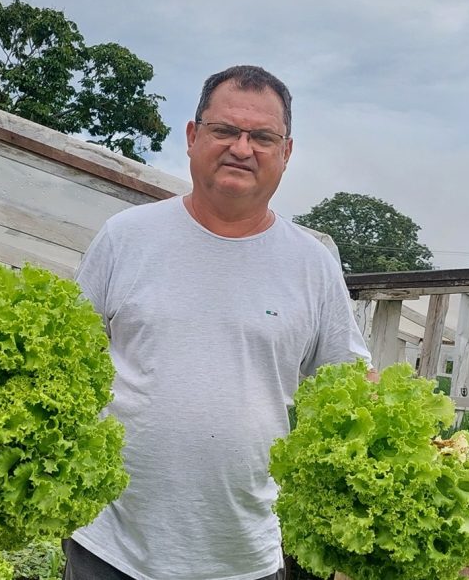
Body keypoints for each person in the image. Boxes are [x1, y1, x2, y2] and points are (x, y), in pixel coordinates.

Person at [68, 65, 371, 580]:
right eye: (224, 130)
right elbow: (64, 359)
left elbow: (350, 385)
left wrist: (424, 448)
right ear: (192, 136)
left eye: (262, 137)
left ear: (287, 152)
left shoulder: (311, 263)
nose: (242, 148)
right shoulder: (126, 237)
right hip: (112, 548)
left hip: (243, 555)